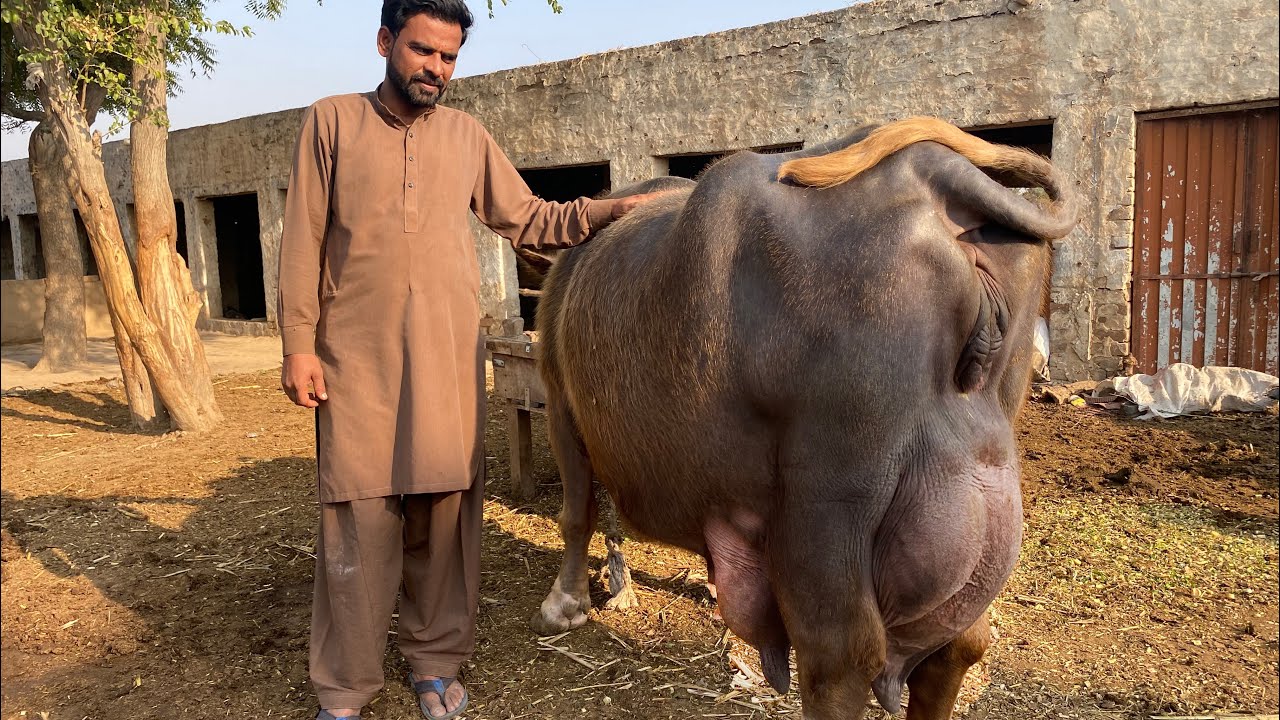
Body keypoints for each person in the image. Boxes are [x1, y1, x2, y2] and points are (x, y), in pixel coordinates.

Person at [276, 2, 656, 718]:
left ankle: (433, 662)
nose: (436, 69)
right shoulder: (331, 122)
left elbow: (530, 219)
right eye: (423, 51)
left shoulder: (466, 135)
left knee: (446, 516)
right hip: (355, 363)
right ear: (386, 41)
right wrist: (299, 343)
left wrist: (608, 213)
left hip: (448, 359)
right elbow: (301, 239)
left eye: (448, 57)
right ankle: (345, 689)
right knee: (357, 520)